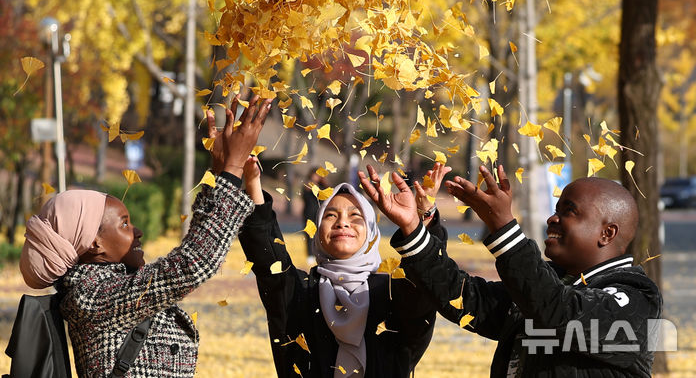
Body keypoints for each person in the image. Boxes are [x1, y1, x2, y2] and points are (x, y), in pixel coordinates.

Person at [19, 95, 272, 377]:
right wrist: (233, 168)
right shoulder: (90, 297)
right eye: (125, 224)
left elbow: (189, 257)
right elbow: (190, 265)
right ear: (94, 243)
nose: (137, 231)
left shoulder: (107, 286)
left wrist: (219, 172)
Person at [359, 164, 662, 378]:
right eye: (555, 210)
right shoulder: (544, 288)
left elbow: (560, 313)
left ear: (607, 234)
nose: (552, 219)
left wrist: (504, 229)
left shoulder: (636, 299)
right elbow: (465, 299)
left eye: (568, 211)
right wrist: (415, 229)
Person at [238, 162, 451, 378]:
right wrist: (253, 180)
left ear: (371, 233)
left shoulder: (391, 294)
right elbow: (267, 260)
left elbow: (427, 280)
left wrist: (423, 216)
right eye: (330, 215)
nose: (342, 223)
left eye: (355, 216)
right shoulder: (299, 292)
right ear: (318, 231)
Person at [302, 167, 328, 264]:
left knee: (321, 233)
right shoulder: (307, 185)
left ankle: (321, 253)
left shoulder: (323, 186)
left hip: (320, 213)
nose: (315, 177)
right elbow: (305, 198)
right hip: (309, 213)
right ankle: (310, 255)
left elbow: (324, 197)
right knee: (309, 234)